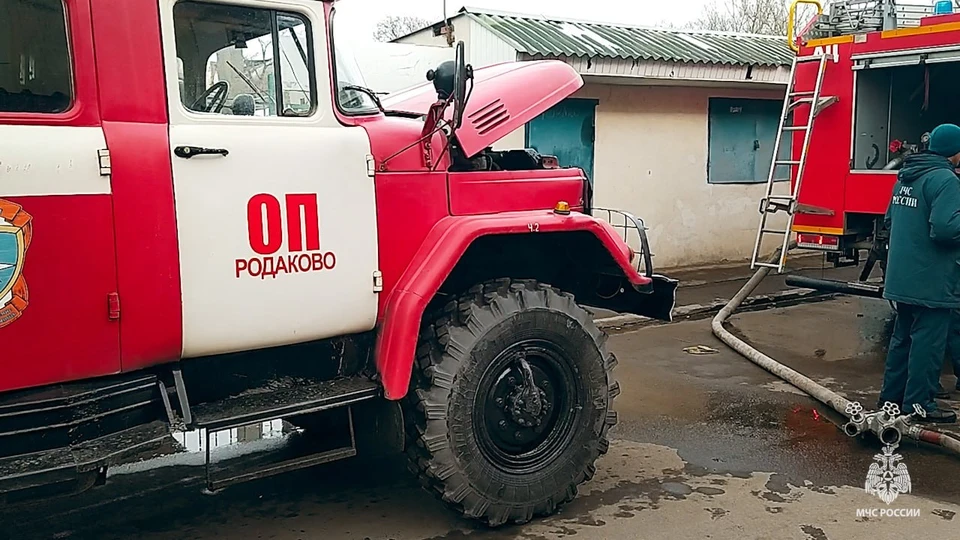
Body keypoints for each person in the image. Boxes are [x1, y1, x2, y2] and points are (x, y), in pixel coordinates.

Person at [879, 123, 960, 423]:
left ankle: (891, 400)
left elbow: (890, 219)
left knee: (903, 340)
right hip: (932, 280)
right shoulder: (945, 180)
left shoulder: (906, 177)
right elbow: (945, 229)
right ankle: (920, 405)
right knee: (929, 343)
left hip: (903, 277)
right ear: (955, 151)